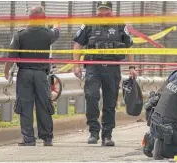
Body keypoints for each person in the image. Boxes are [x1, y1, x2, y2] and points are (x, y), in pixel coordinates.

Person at [72, 1, 137, 146]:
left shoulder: (120, 24)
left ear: (111, 11)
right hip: (93, 67)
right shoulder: (88, 24)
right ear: (97, 10)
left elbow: (129, 46)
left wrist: (132, 66)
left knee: (110, 101)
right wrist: (75, 65)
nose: (103, 12)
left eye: (106, 9)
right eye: (100, 9)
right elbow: (77, 44)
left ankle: (107, 135)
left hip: (112, 68)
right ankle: (93, 132)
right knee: (92, 96)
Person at [4, 6, 60, 146]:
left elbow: (11, 56)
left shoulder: (20, 35)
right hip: (41, 75)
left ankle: (28, 139)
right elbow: (57, 31)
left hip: (25, 74)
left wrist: (6, 72)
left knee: (25, 105)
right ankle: (47, 138)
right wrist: (57, 24)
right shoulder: (48, 34)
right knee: (43, 104)